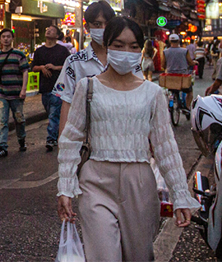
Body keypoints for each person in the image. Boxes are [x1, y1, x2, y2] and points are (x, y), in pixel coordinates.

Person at [56, 17, 198, 261]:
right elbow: (71, 139)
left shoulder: (153, 93)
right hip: (96, 181)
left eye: (134, 46)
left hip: (140, 183)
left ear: (141, 50)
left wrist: (180, 194)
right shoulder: (87, 88)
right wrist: (65, 186)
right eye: (119, 45)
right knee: (103, 256)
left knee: (139, 256)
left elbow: (165, 147)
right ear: (107, 46)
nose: (126, 52)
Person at [54, 1, 142, 105]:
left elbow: (139, 92)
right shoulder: (74, 62)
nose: (104, 29)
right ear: (87, 27)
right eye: (97, 24)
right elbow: (66, 101)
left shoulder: (127, 60)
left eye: (107, 24)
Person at [0, 28, 29, 158]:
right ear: (0, 39)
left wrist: (23, 89)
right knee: (2, 121)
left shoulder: (19, 55)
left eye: (8, 37)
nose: (6, 39)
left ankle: (21, 139)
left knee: (19, 119)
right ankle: (2, 147)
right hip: (2, 93)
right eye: (3, 37)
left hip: (16, 93)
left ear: (12, 39)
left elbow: (25, 72)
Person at [31, 25, 70, 152]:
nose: (48, 30)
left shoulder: (63, 51)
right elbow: (33, 67)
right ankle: (60, 133)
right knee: (51, 113)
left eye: (52, 30)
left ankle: (51, 138)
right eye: (47, 29)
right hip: (45, 87)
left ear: (57, 35)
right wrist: (42, 67)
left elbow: (69, 66)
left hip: (58, 87)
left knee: (53, 113)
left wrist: (55, 67)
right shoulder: (39, 51)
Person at [164, 34, 195, 112]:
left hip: (170, 76)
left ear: (170, 41)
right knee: (190, 92)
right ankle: (187, 107)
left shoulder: (165, 52)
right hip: (183, 76)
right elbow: (190, 62)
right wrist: (195, 63)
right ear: (179, 41)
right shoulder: (184, 51)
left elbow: (162, 65)